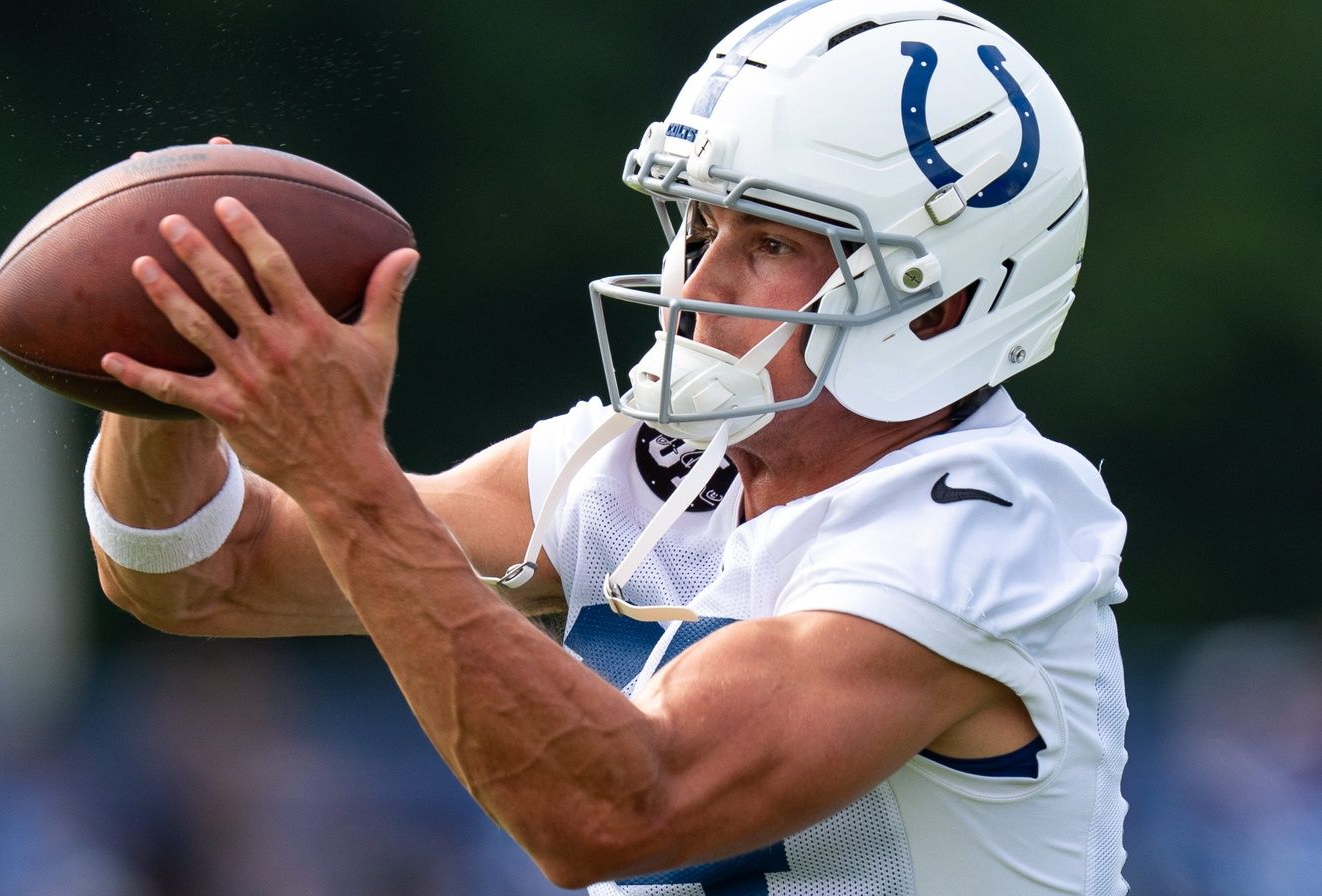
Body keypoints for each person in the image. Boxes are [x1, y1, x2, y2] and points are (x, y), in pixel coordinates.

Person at [84, 0, 1130, 892]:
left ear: (940, 306)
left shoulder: (998, 520)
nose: (696, 282)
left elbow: (622, 804)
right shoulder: (647, 471)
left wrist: (340, 468)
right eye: (696, 224)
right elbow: (199, 570)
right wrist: (175, 356)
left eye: (767, 241)